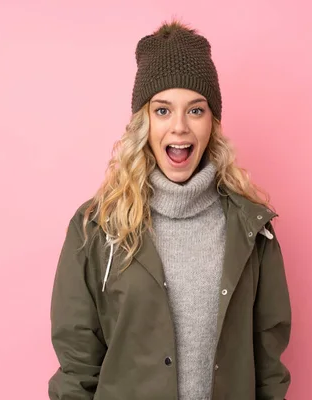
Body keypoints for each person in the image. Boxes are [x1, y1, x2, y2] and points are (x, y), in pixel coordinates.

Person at [48, 20, 292, 400]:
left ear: (212, 121)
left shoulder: (252, 230)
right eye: (163, 111)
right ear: (142, 122)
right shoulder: (96, 229)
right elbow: (77, 367)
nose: (179, 127)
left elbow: (268, 370)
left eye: (195, 111)